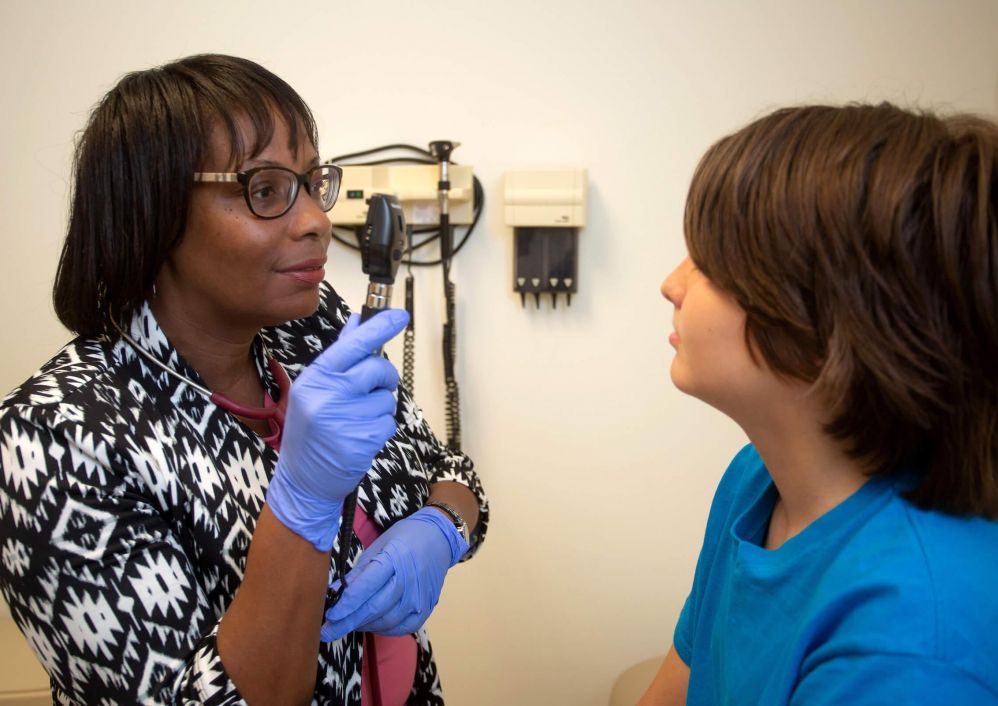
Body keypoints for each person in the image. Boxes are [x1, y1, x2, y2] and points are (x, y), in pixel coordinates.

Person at [0, 54, 489, 706]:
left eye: (313, 183)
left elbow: (450, 470)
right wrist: (303, 506)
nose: (317, 220)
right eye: (265, 190)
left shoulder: (309, 336)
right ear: (155, 211)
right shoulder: (55, 439)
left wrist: (442, 526)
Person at [640, 103, 998, 704]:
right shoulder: (757, 479)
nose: (672, 284)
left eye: (710, 262)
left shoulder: (907, 644)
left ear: (831, 324)